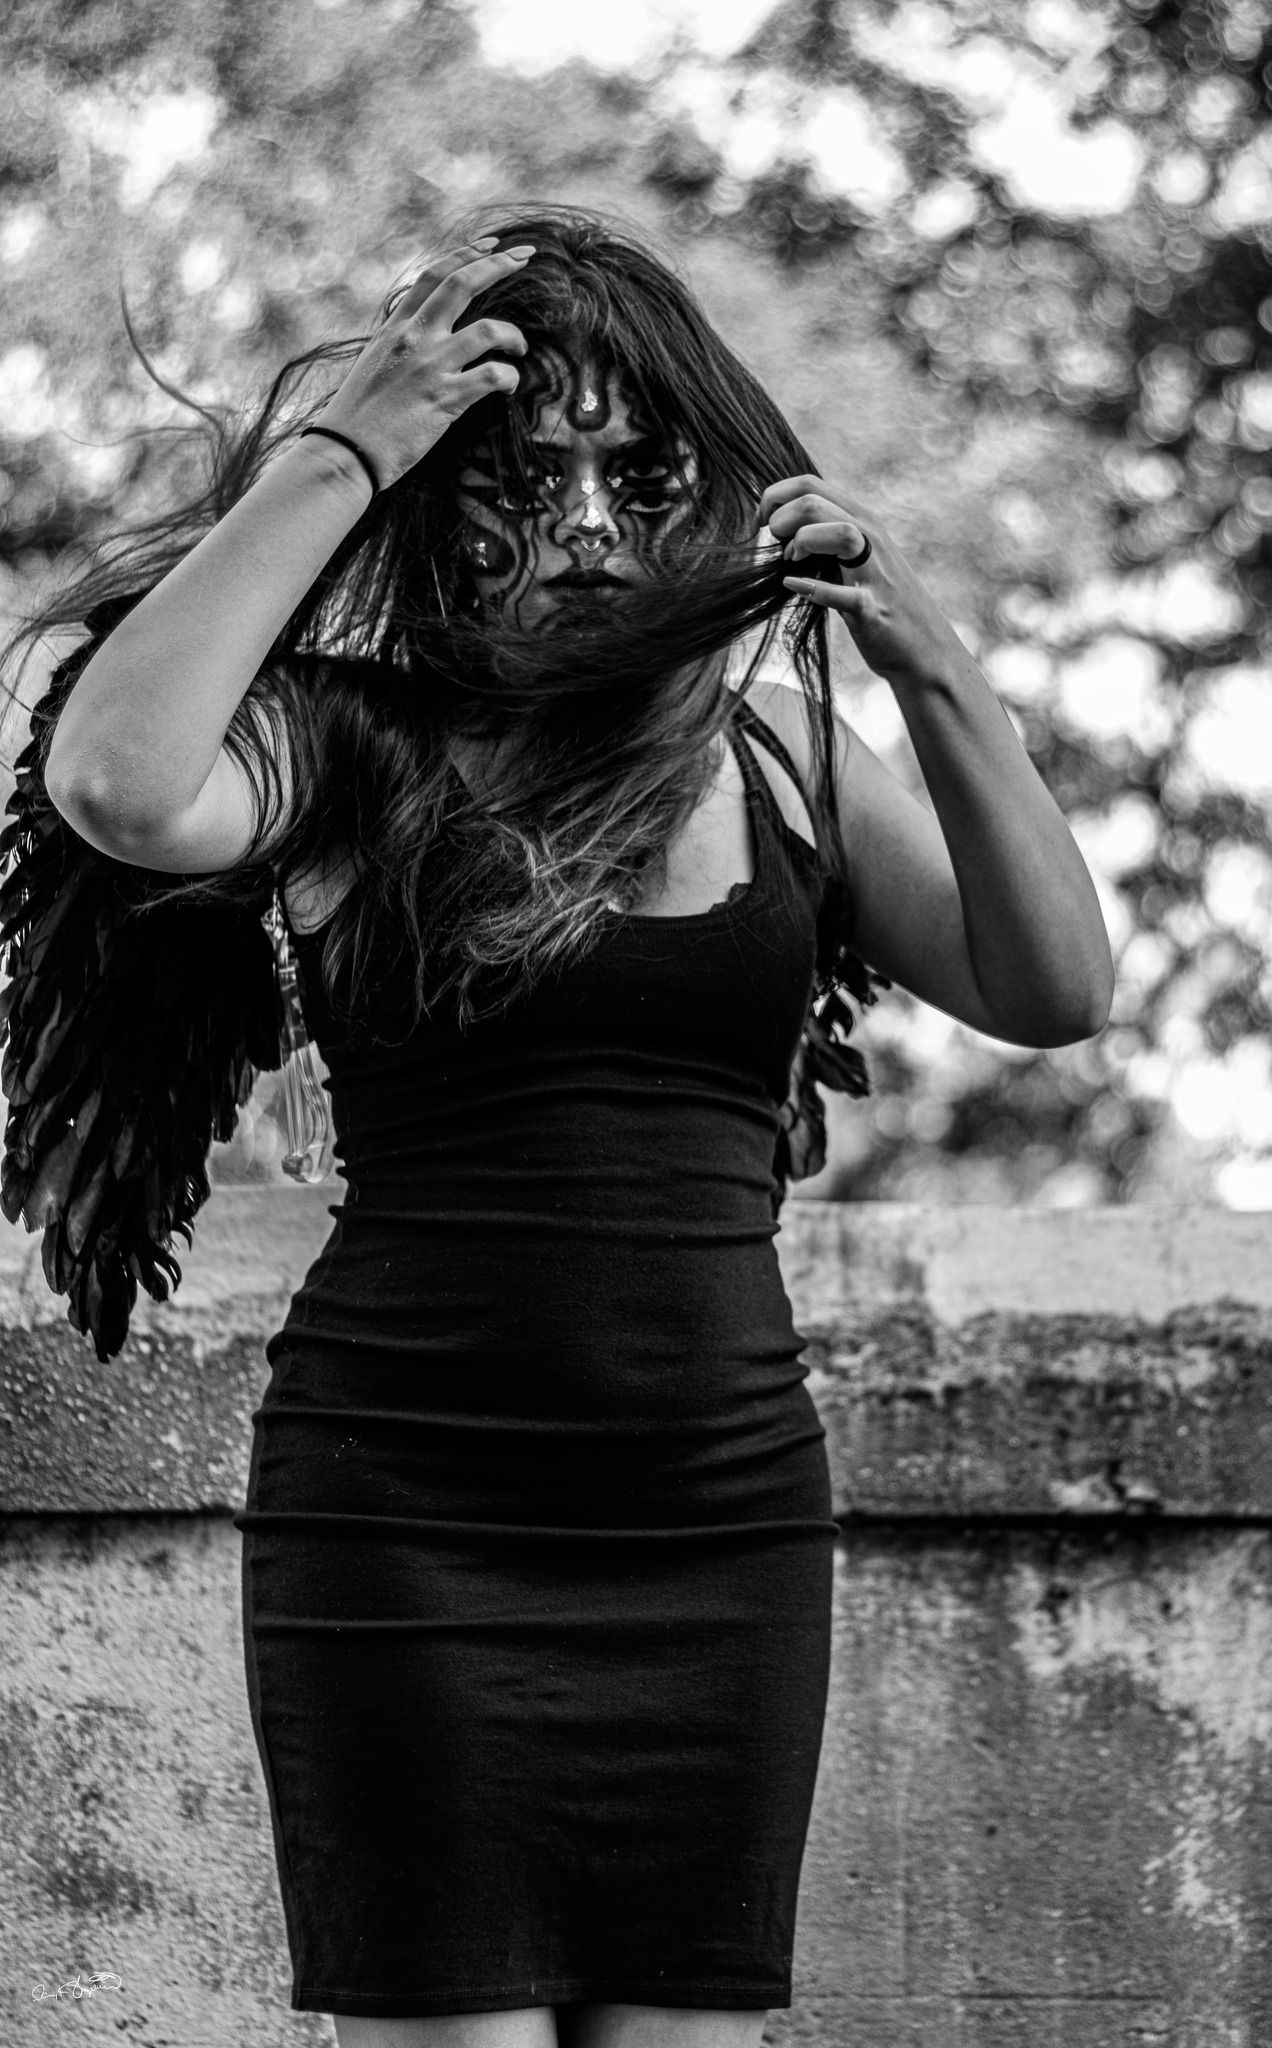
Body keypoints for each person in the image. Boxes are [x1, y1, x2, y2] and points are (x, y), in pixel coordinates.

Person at [13, 204, 1113, 2048]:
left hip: (719, 1533)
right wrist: (338, 453)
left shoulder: (778, 754)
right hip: (405, 1529)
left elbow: (1056, 985)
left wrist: (926, 658)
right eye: (524, 479)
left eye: (636, 475)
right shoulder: (343, 743)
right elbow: (118, 783)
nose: (587, 524)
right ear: (436, 500)